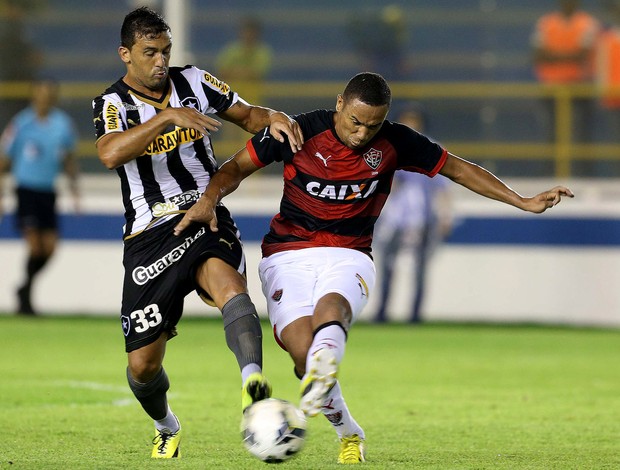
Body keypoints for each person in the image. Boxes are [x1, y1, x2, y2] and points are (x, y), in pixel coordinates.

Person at [173, 72, 574, 464]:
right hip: (287, 254)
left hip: (349, 253)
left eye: (373, 125)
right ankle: (349, 430)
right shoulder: (297, 131)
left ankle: (325, 359)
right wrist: (209, 197)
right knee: (301, 355)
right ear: (340, 105)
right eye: (355, 122)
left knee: (331, 311)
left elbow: (458, 168)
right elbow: (235, 167)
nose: (362, 133)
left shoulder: (396, 141)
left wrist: (521, 200)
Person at [91, 7, 303, 459]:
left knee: (230, 286)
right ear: (125, 54)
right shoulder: (112, 104)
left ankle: (254, 389)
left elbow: (249, 116)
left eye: (166, 51)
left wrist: (276, 117)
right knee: (143, 366)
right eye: (150, 53)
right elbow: (110, 154)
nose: (161, 62)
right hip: (149, 235)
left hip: (203, 213)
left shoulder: (197, 82)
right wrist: (167, 119)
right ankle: (166, 425)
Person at [0, 78, 79, 315]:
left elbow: (68, 158)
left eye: (49, 94)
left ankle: (24, 287)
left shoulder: (62, 124)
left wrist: (75, 187)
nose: (45, 98)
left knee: (51, 248)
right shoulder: (22, 123)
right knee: (35, 247)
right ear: (34, 96)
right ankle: (26, 299)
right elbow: (6, 157)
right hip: (26, 190)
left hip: (48, 191)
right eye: (41, 93)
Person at [374, 106, 452, 323]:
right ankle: (382, 312)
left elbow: (443, 188)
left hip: (424, 218)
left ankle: (415, 314)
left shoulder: (432, 149)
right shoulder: (388, 149)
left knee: (419, 269)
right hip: (396, 218)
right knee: (387, 265)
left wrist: (446, 215)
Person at [531, 0, 600, 143]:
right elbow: (538, 55)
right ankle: (552, 166)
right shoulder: (546, 22)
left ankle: (580, 167)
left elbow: (583, 55)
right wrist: (570, 55)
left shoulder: (587, 23)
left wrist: (553, 56)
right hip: (551, 89)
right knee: (551, 137)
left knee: (579, 136)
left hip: (579, 89)